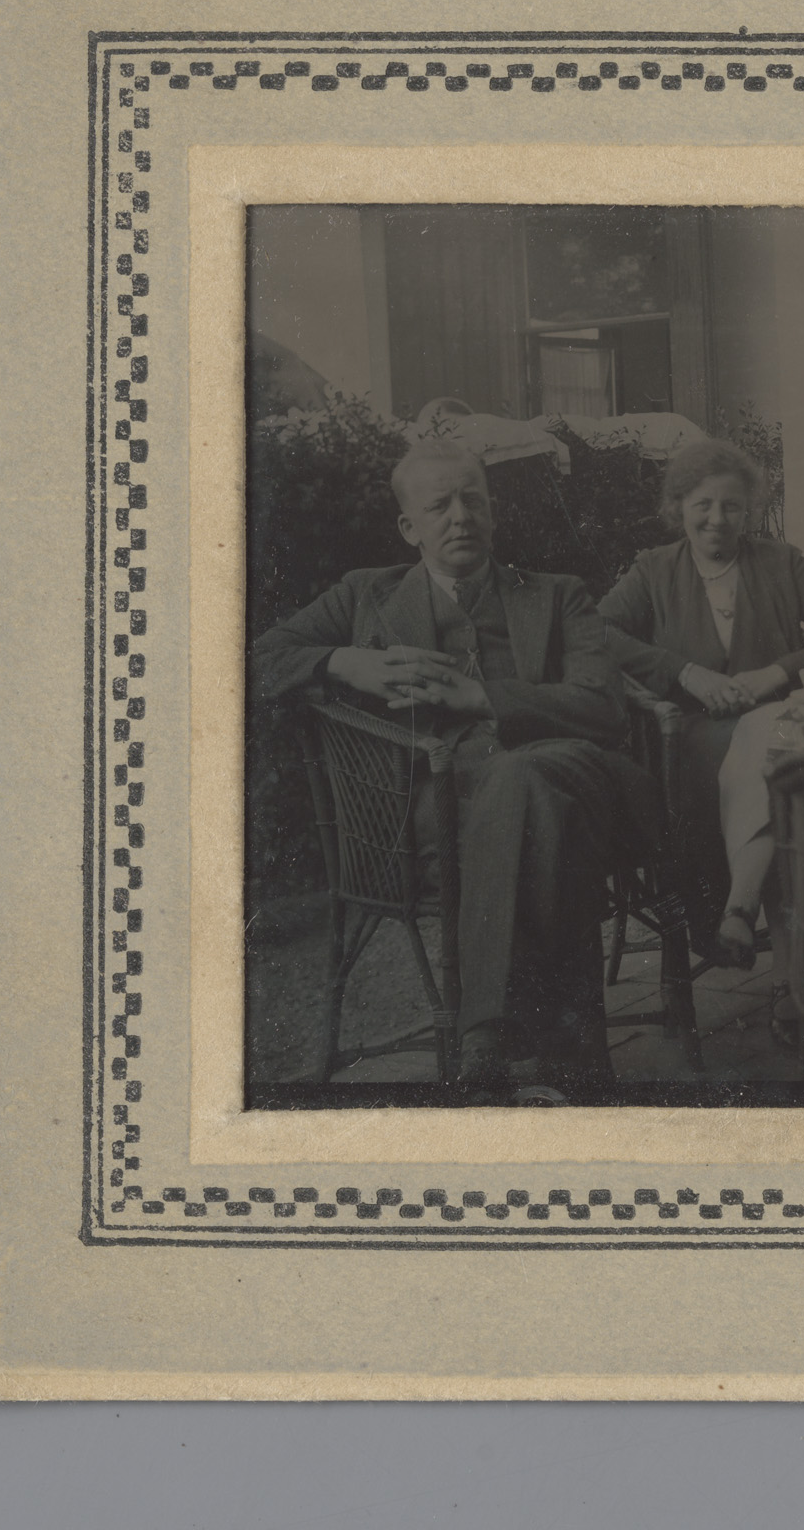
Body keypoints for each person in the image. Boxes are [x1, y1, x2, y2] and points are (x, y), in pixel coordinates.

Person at [250, 439, 661, 1094]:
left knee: (524, 780)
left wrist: (482, 698)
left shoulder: (558, 596)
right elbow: (257, 661)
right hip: (435, 810)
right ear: (408, 527)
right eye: (439, 506)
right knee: (544, 824)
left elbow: (603, 707)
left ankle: (486, 1038)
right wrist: (344, 662)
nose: (461, 516)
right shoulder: (366, 596)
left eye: (474, 500)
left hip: (573, 773)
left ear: (494, 512)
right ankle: (569, 1056)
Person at [596, 438, 804, 965]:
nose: (717, 519)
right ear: (678, 506)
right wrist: (684, 672)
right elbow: (597, 632)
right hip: (692, 743)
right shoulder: (654, 569)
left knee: (777, 748)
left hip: (781, 728)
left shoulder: (781, 561)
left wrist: (777, 672)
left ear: (749, 511)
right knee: (786, 772)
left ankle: (745, 914)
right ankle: (795, 970)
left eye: (732, 506)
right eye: (702, 504)